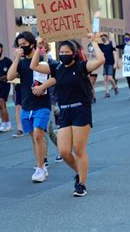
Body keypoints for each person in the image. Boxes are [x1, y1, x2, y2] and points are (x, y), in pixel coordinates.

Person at [30, 34, 104, 196]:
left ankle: (81, 184)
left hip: (81, 110)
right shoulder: (57, 68)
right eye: (61, 52)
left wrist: (93, 41)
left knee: (78, 149)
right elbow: (34, 66)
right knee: (64, 151)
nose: (63, 54)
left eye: (67, 51)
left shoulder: (81, 66)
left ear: (74, 53)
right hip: (65, 111)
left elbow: (100, 61)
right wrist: (38, 47)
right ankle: (81, 171)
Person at [7, 31, 53, 183]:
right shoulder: (20, 62)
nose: (21, 48)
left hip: (42, 103)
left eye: (24, 45)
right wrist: (17, 57)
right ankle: (40, 164)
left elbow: (54, 75)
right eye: (19, 45)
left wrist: (43, 87)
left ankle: (40, 168)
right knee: (34, 137)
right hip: (27, 104)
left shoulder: (42, 59)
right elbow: (9, 77)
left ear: (32, 44)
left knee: (39, 134)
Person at [116, 33, 130, 100]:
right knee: (129, 80)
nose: (126, 39)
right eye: (125, 38)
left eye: (127, 38)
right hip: (126, 65)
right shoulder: (124, 46)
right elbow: (115, 46)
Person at [98, 33, 119, 98]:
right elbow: (95, 43)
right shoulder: (101, 46)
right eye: (101, 38)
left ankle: (115, 86)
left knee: (110, 78)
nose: (102, 38)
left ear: (106, 37)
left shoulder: (111, 44)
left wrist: (115, 63)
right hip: (105, 64)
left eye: (103, 37)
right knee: (104, 78)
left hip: (111, 63)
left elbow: (115, 53)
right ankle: (107, 92)